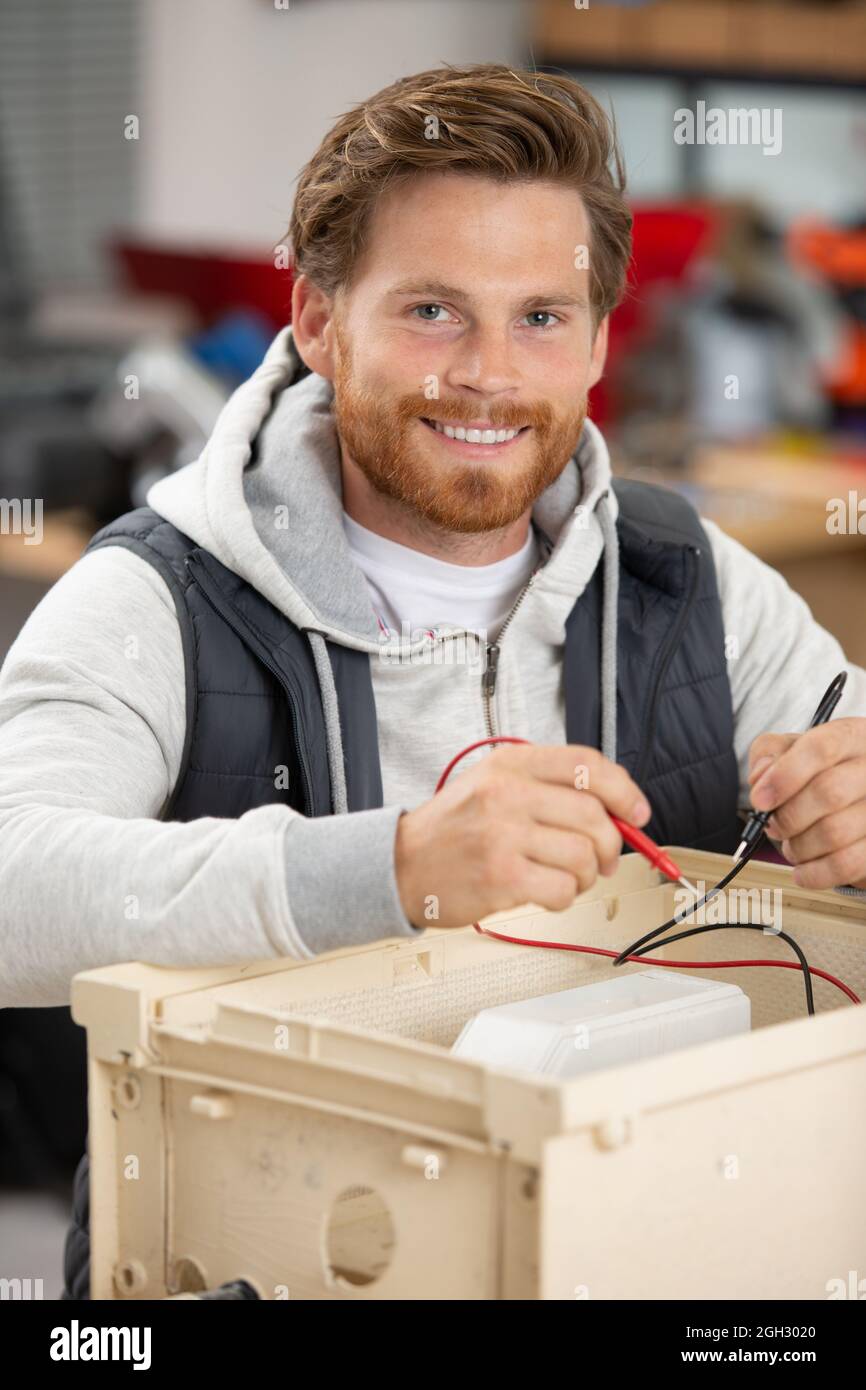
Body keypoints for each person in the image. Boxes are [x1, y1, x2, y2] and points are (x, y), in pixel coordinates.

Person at [1, 64, 864, 1300]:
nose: (487, 375)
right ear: (315, 318)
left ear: (598, 339)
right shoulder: (156, 597)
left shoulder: (690, 578)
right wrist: (391, 864)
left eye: (538, 318)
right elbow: (10, 886)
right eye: (430, 311)